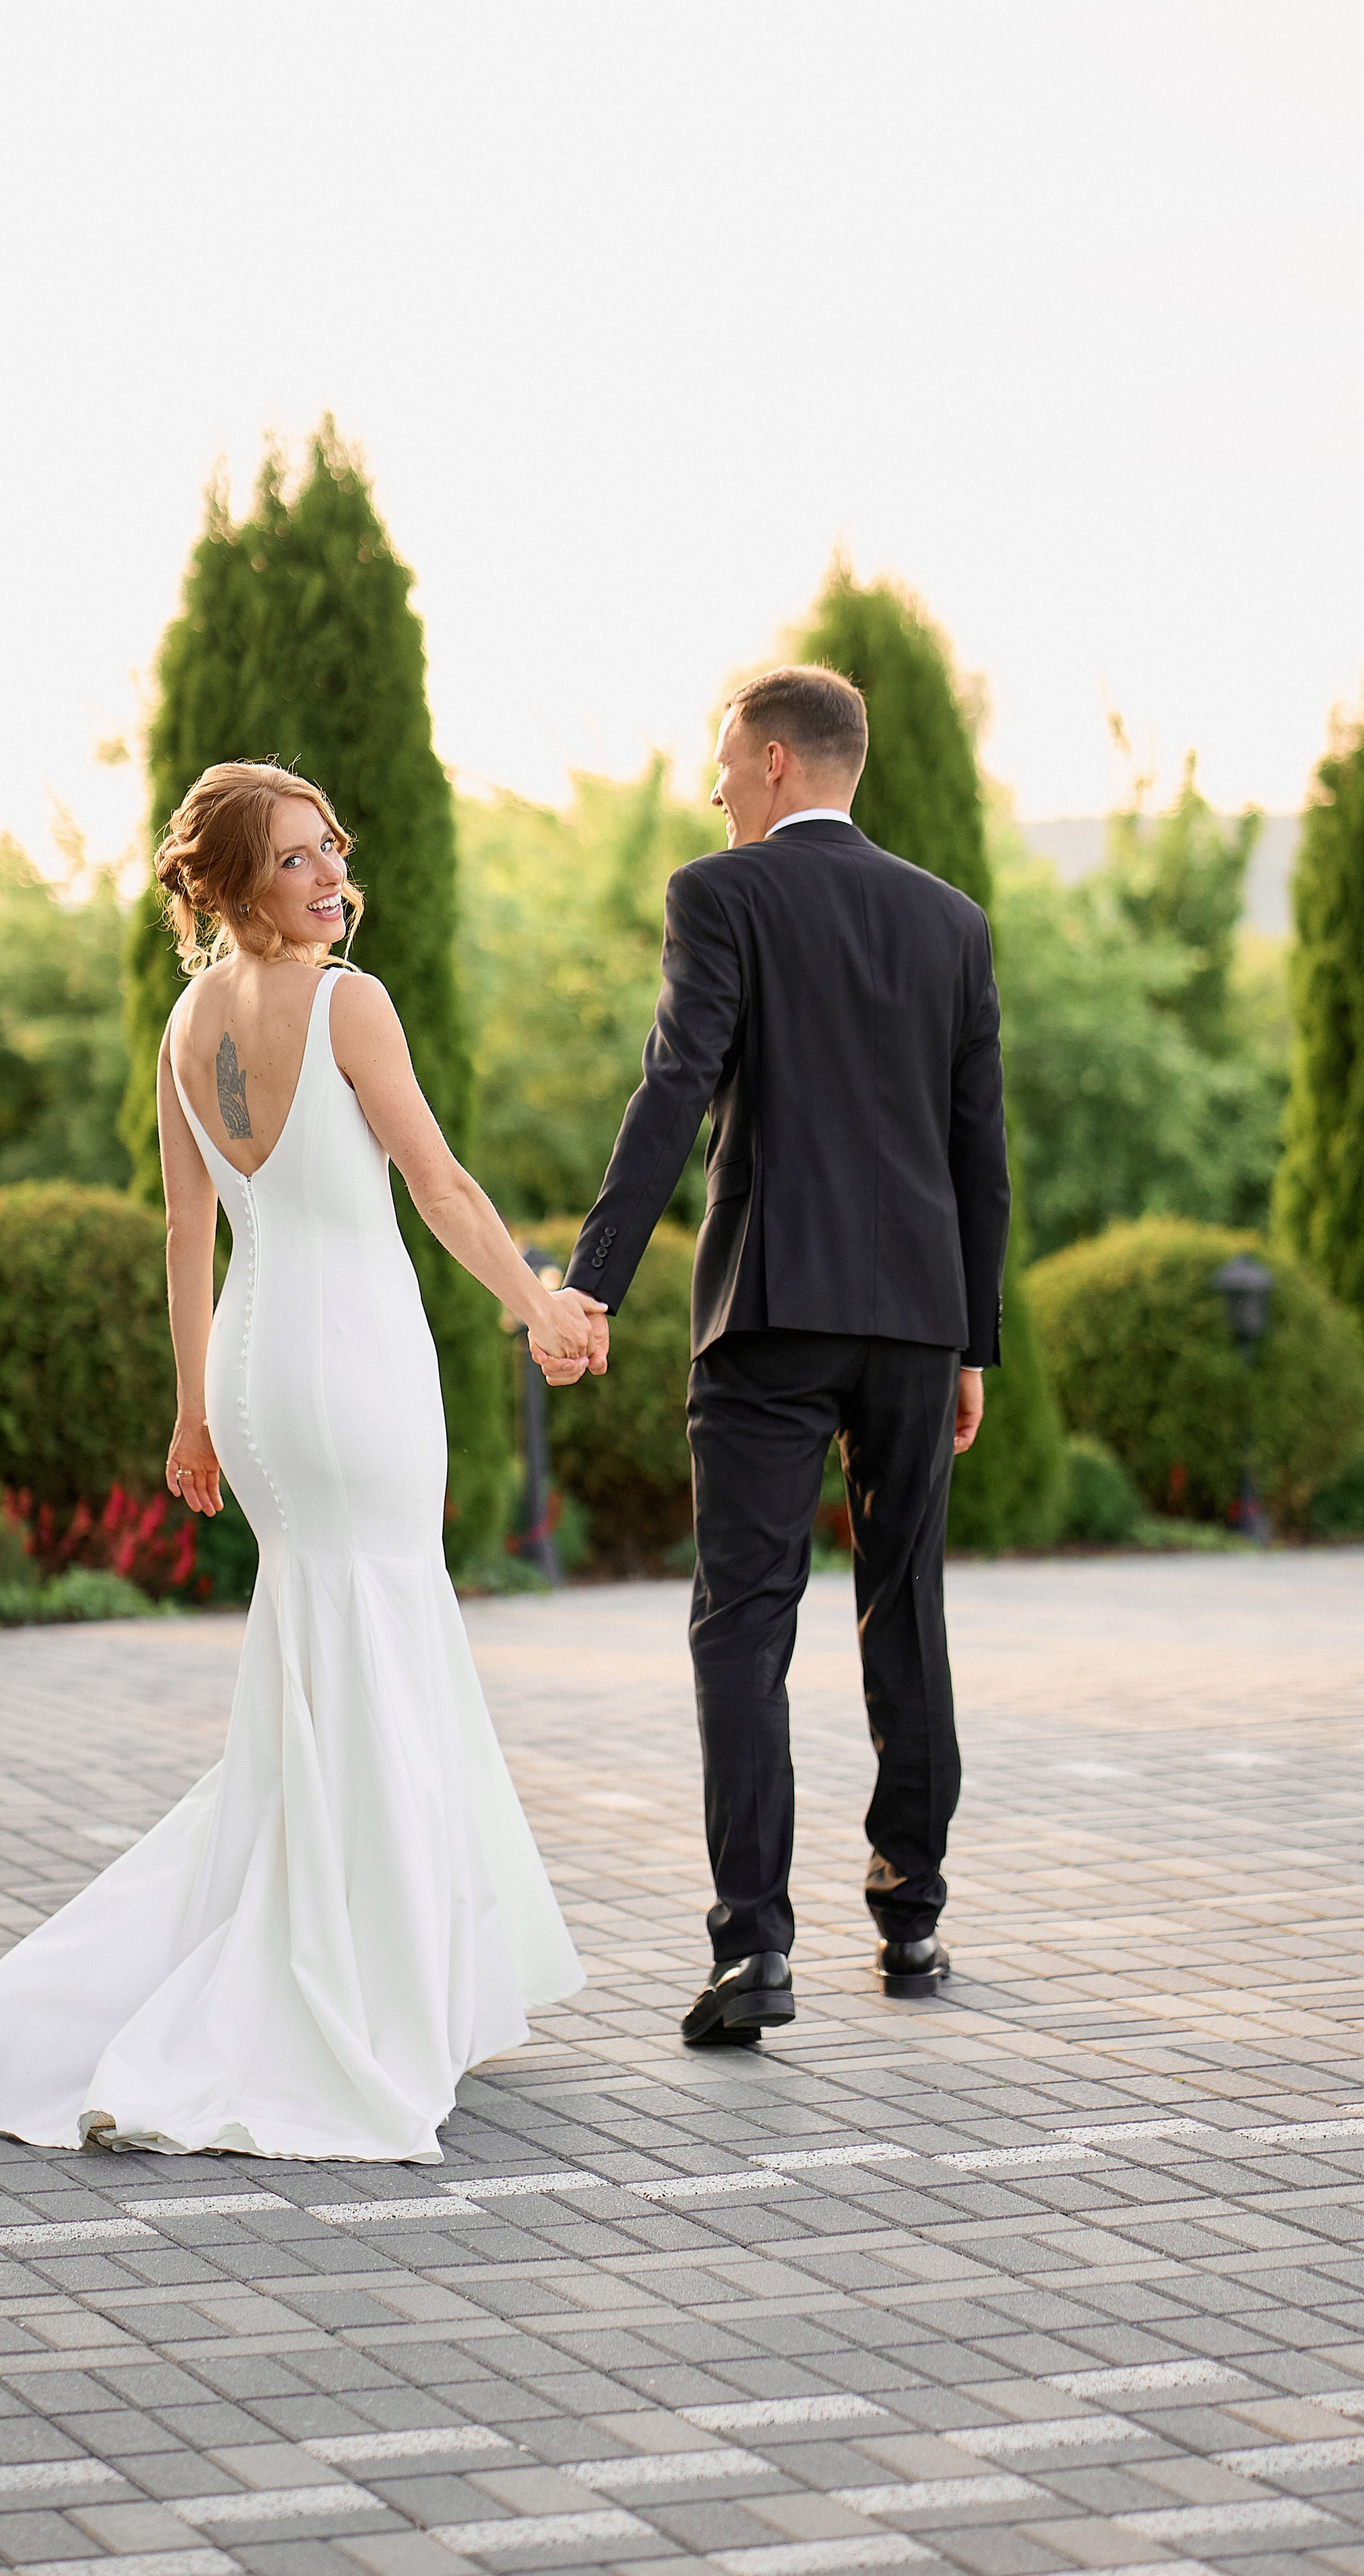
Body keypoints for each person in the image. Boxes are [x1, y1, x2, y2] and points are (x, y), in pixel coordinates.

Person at [0, 761, 596, 2161]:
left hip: (256, 1371)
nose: (331, 873)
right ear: (228, 884)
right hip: (353, 1360)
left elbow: (189, 1233)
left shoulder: (184, 1023)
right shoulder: (349, 1003)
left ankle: (364, 1960)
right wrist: (536, 1303)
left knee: (322, 1644)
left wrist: (194, 1410)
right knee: (379, 1630)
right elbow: (438, 1184)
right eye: (294, 858)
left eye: (330, 846)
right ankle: (369, 1989)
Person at [536, 666, 1011, 2043]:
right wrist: (970, 1341)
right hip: (915, 1317)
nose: (714, 790)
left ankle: (753, 1950)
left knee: (742, 1621)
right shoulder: (952, 921)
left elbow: (674, 1087)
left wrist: (592, 1282)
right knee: (905, 1602)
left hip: (769, 1307)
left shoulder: (720, 894)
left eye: (724, 765)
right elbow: (977, 1148)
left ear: (777, 761)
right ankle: (911, 1912)